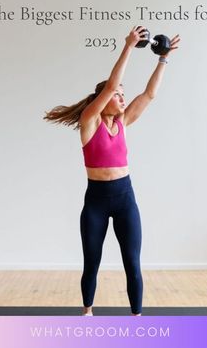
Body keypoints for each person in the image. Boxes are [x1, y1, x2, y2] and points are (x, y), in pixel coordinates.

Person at [43, 26, 180, 316]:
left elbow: (150, 94)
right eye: (117, 95)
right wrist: (129, 46)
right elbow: (107, 89)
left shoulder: (123, 123)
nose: (121, 98)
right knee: (91, 261)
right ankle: (88, 313)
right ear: (103, 101)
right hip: (96, 200)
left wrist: (163, 59)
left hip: (124, 197)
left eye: (122, 94)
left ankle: (137, 318)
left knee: (132, 262)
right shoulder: (89, 122)